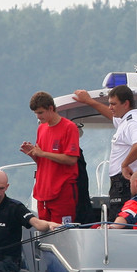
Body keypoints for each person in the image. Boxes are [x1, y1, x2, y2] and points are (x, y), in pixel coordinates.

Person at [73, 84, 137, 216]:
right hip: (124, 182)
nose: (110, 107)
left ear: (126, 104)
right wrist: (89, 101)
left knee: (120, 222)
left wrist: (124, 164)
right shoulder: (127, 120)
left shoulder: (132, 123)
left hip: (124, 183)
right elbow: (111, 115)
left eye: (113, 104)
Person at [20, 91, 81, 224]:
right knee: (45, 234)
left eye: (40, 112)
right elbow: (42, 160)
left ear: (51, 108)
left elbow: (72, 159)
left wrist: (42, 153)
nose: (38, 116)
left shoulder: (69, 128)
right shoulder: (41, 128)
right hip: (43, 193)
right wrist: (33, 154)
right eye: (35, 113)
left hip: (62, 192)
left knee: (62, 233)